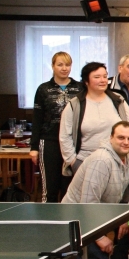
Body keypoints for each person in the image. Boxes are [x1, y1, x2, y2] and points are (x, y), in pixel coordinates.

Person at [62, 121, 129, 259]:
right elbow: (87, 205)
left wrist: (128, 217)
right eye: (121, 137)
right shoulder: (101, 161)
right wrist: (100, 238)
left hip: (103, 215)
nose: (126, 142)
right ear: (111, 138)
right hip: (77, 223)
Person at [60, 62, 129, 176]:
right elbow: (65, 136)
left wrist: (127, 155)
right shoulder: (75, 104)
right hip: (85, 162)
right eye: (97, 77)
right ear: (86, 81)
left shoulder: (118, 100)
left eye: (105, 76)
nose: (103, 80)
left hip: (117, 160)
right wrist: (73, 162)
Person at [30, 51, 83, 202]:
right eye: (60, 65)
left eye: (67, 65)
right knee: (50, 188)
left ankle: (69, 216)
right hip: (49, 141)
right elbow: (37, 119)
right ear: (53, 66)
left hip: (73, 142)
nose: (64, 68)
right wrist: (34, 147)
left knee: (70, 188)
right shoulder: (43, 89)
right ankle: (48, 217)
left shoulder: (80, 88)